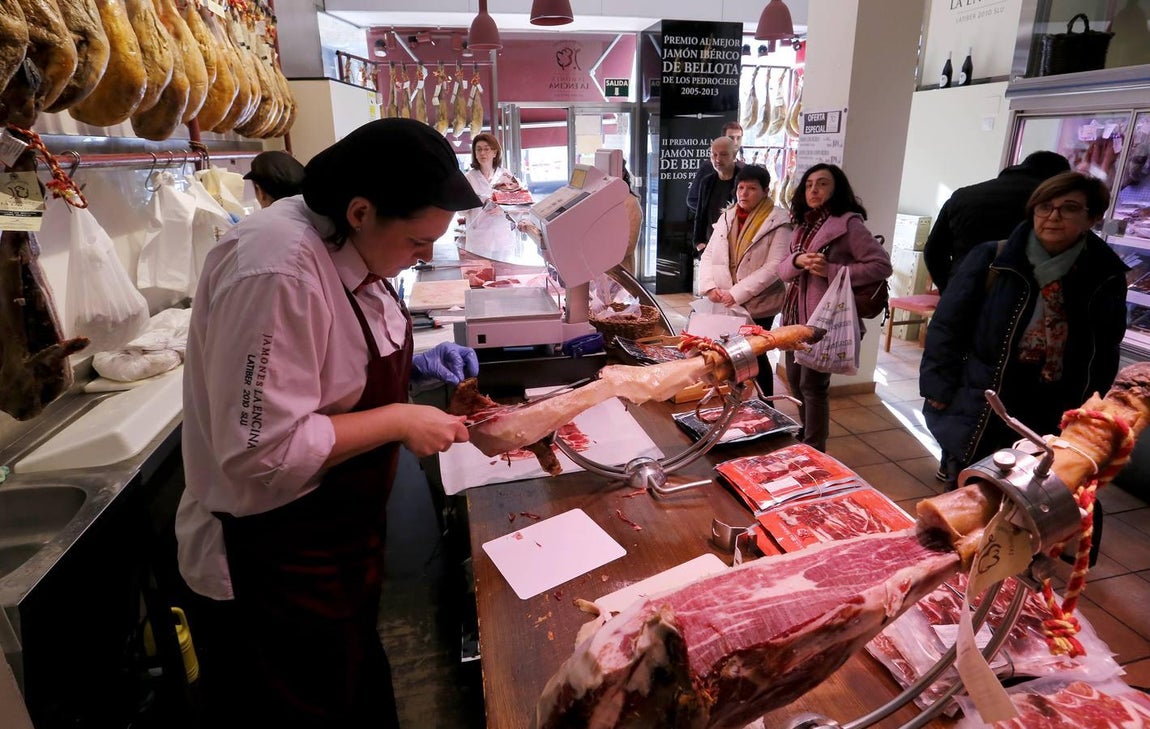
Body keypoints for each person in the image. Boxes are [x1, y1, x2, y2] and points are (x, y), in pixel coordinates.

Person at [174, 119, 484, 728]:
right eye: (418, 242)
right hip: (272, 558)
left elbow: (326, 367)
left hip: (334, 542)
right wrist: (398, 418)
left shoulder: (344, 242)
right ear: (361, 211)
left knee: (356, 692)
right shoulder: (277, 270)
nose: (425, 256)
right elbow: (262, 451)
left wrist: (417, 367)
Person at [921, 171, 1128, 488]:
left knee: (1034, 493)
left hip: (1056, 404)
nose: (1053, 216)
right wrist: (937, 384)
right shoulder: (994, 258)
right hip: (987, 396)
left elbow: (1105, 348)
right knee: (969, 488)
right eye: (1045, 206)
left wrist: (1093, 405)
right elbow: (948, 325)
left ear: (1092, 218)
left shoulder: (1104, 274)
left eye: (1069, 208)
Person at [776, 163, 892, 452]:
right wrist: (797, 261)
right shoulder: (802, 226)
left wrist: (832, 270)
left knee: (813, 386)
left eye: (822, 183)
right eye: (809, 184)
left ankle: (815, 448)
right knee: (795, 381)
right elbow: (783, 271)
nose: (814, 189)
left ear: (836, 188)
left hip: (824, 318)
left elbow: (881, 266)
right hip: (794, 317)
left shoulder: (848, 224)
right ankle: (806, 436)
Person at [698, 164, 792, 396]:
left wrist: (737, 293)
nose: (744, 193)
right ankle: (738, 402)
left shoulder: (779, 221)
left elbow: (775, 266)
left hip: (759, 303)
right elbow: (709, 254)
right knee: (730, 354)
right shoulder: (728, 216)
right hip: (725, 298)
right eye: (740, 188)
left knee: (755, 355)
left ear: (765, 191)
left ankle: (766, 403)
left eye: (751, 188)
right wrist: (709, 287)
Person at [924, 151, 1070, 292]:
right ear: (1059, 179)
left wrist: (948, 289)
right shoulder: (1050, 205)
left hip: (963, 289)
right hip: (1020, 296)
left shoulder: (962, 196)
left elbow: (933, 251)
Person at [462, 132, 520, 260]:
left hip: (502, 237)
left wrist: (503, 208)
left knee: (504, 271)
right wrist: (475, 202)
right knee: (480, 271)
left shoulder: (506, 175)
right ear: (475, 154)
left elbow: (520, 203)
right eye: (479, 149)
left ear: (495, 152)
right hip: (479, 239)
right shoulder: (468, 178)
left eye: (486, 149)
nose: (482, 153)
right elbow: (461, 211)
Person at [691, 136, 743, 257]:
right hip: (709, 248)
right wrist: (698, 243)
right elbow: (700, 215)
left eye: (724, 154)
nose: (718, 159)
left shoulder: (743, 181)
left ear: (734, 155)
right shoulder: (707, 182)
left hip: (735, 250)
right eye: (714, 155)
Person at [686, 121, 744, 215]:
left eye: (739, 138)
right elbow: (693, 199)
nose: (735, 142)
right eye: (731, 138)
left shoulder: (744, 168)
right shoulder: (708, 166)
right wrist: (714, 214)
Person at [620, 161, 643, 273]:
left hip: (620, 271)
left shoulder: (630, 202)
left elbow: (629, 245)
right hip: (598, 271)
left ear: (623, 173)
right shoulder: (600, 200)